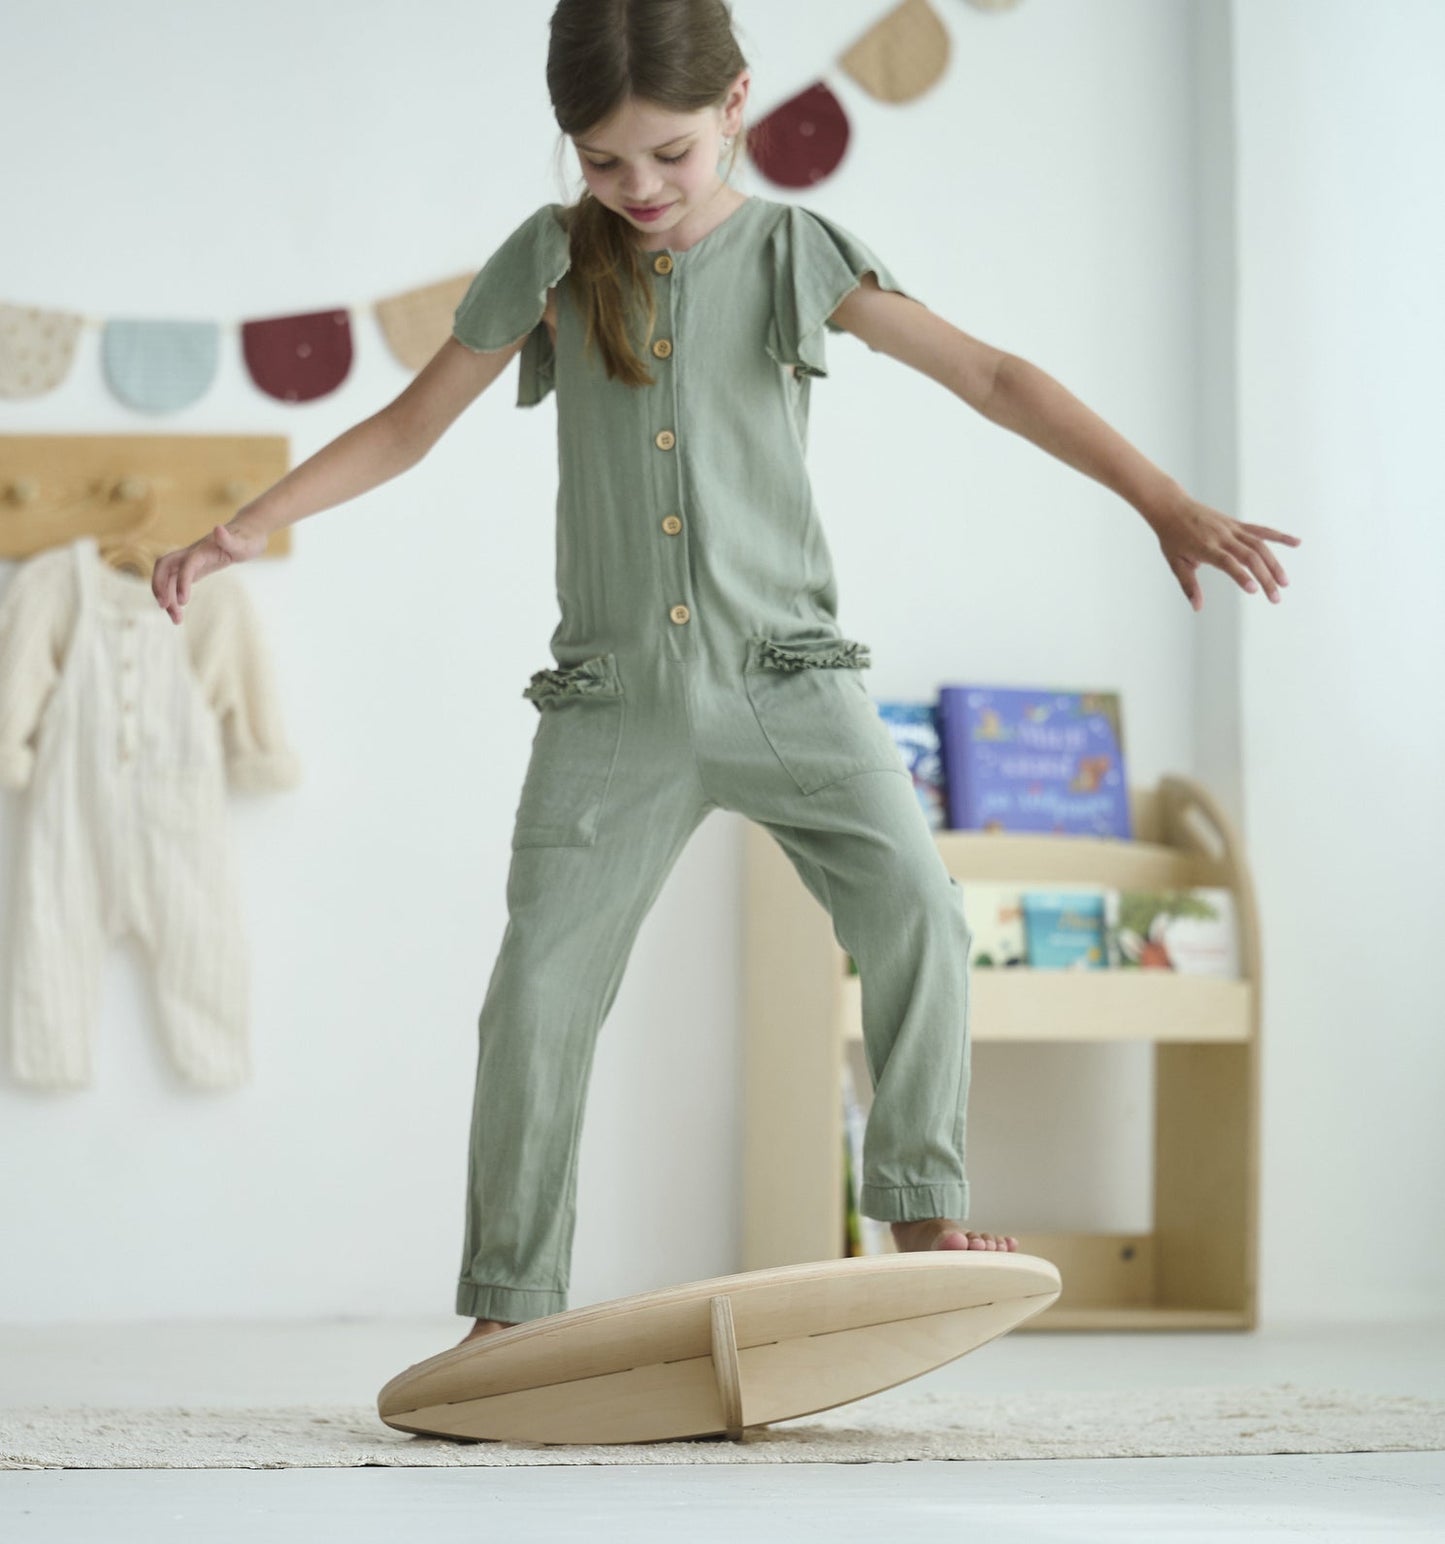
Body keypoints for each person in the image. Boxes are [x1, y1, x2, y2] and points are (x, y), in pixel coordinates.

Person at [151, 0, 1301, 1350]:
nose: (637, 189)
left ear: (739, 107)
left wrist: (1160, 499)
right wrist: (243, 528)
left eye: (669, 156)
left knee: (916, 909)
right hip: (611, 703)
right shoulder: (547, 261)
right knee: (536, 997)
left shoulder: (794, 251)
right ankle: (507, 1312)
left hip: (789, 682)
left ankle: (921, 1208)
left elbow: (989, 376)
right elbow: (408, 426)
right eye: (601, 163)